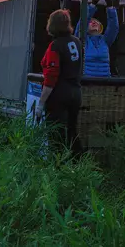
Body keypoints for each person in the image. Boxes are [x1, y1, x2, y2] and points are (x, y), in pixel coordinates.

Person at [38, 9, 84, 156]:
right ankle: (77, 165)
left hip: (59, 94)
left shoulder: (55, 46)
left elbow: (51, 77)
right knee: (72, 131)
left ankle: (56, 168)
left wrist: (41, 103)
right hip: (76, 93)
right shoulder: (76, 42)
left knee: (56, 135)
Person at [74, 0, 119, 77]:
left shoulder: (105, 41)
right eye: (90, 22)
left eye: (96, 22)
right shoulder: (82, 40)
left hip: (105, 81)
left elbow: (114, 27)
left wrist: (110, 7)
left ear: (100, 27)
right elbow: (82, 24)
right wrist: (92, 5)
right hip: (86, 80)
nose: (94, 22)